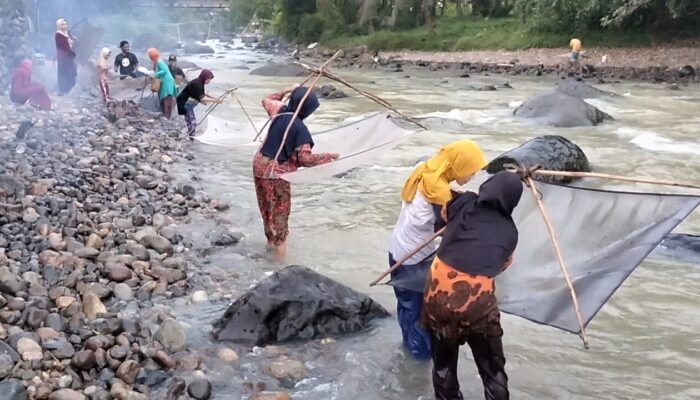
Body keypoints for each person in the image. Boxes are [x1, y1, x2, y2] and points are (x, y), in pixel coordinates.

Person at [422, 171, 524, 400]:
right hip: (475, 304)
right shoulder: (510, 232)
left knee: (443, 365)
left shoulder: (464, 201)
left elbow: (445, 214)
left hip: (438, 294)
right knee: (492, 369)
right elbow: (500, 265)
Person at [388, 140, 488, 360]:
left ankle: (408, 352)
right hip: (412, 260)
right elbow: (449, 230)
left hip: (397, 250)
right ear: (458, 166)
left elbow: (445, 198)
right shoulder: (439, 193)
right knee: (421, 319)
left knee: (407, 308)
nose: (471, 177)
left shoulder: (425, 170)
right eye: (470, 171)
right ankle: (417, 369)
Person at [253, 85, 339, 257]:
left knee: (266, 208)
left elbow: (266, 100)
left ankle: (269, 245)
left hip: (259, 166)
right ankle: (279, 260)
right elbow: (305, 159)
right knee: (280, 213)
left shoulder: (280, 111)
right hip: (277, 173)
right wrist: (330, 156)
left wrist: (286, 90)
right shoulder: (300, 129)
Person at [176, 69, 221, 137]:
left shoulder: (199, 81)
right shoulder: (197, 84)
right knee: (192, 121)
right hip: (185, 103)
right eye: (209, 79)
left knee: (190, 120)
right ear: (205, 77)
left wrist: (214, 98)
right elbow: (202, 98)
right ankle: (191, 136)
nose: (209, 81)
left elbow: (202, 93)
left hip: (184, 102)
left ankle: (190, 135)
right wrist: (215, 101)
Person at [147, 48, 178, 119]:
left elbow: (164, 70)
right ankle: (165, 116)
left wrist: (155, 74)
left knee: (167, 99)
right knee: (163, 99)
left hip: (167, 82)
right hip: (164, 82)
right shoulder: (157, 61)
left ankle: (167, 117)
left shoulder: (159, 62)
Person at [55, 18, 77, 95]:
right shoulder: (58, 34)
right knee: (64, 71)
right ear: (59, 25)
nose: (65, 25)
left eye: (65, 23)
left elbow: (70, 41)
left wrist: (73, 39)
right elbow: (64, 46)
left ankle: (71, 86)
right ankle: (63, 89)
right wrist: (71, 52)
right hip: (63, 56)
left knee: (72, 70)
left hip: (69, 55)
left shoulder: (66, 33)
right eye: (63, 24)